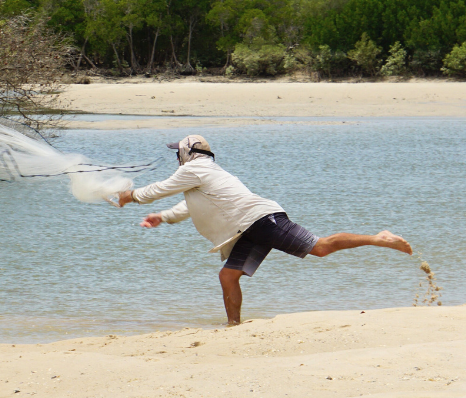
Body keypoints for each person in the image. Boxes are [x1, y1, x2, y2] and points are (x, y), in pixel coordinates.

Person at [118, 135, 412, 325]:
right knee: (228, 275)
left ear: (187, 152)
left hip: (261, 220)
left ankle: (379, 238)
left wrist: (131, 196)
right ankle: (234, 326)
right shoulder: (201, 174)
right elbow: (190, 206)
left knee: (320, 248)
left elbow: (159, 189)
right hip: (246, 229)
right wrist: (163, 217)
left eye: (177, 152)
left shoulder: (195, 169)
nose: (176, 157)